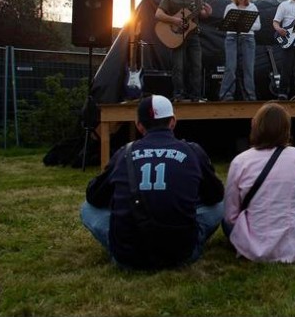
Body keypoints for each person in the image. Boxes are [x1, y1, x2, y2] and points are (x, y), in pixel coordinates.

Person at [80, 95, 225, 270]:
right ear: (173, 122)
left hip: (128, 256)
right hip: (181, 253)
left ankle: (123, 245)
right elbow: (215, 196)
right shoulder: (193, 151)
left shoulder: (123, 153)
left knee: (87, 209)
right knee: (221, 205)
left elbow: (94, 197)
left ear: (139, 125)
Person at [223, 102, 295, 262]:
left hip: (253, 244)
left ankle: (247, 243)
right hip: (293, 243)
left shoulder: (240, 161)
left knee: (224, 222)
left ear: (254, 125)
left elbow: (231, 215)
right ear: (286, 129)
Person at [155, 0, 212, 102]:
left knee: (196, 66)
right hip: (176, 36)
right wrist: (174, 21)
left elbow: (200, 13)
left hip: (193, 35)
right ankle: (178, 96)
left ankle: (196, 96)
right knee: (178, 67)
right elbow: (158, 14)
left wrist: (207, 13)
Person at [219, 0, 261, 101]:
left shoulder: (252, 7)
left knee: (248, 68)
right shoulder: (230, 7)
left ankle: (250, 96)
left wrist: (245, 26)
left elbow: (258, 26)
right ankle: (226, 95)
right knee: (230, 66)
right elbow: (225, 24)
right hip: (232, 37)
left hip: (248, 38)